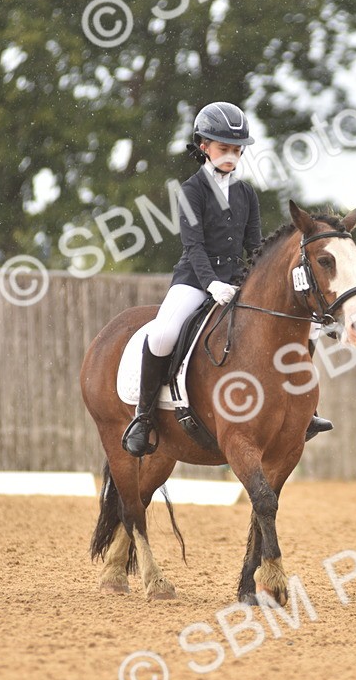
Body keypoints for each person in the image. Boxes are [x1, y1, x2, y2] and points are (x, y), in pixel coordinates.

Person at [121, 101, 332, 457]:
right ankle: (143, 417)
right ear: (204, 146)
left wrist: (263, 280)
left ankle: (304, 412)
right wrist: (211, 283)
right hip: (194, 279)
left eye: (237, 150)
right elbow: (194, 245)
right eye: (224, 149)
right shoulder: (192, 191)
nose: (232, 156)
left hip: (237, 282)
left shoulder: (246, 193)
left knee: (300, 326)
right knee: (161, 335)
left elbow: (256, 246)